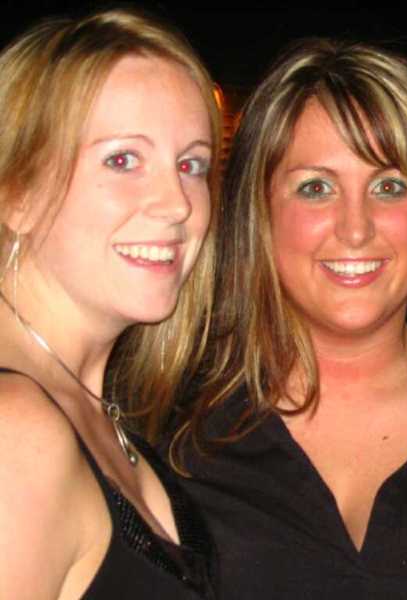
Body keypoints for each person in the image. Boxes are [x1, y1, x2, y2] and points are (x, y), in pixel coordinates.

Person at [141, 39, 407, 600]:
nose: (355, 228)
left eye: (389, 186)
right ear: (258, 211)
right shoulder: (165, 423)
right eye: (315, 187)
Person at [0, 10, 222, 599]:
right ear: (17, 191)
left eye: (191, 164)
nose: (177, 203)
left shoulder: (93, 408)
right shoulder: (14, 434)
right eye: (122, 159)